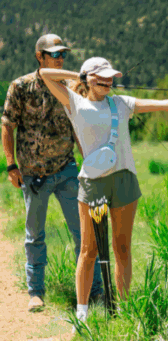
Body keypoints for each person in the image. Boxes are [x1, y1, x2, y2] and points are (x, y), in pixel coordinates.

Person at [37, 56, 168, 325]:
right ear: (89, 79)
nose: (110, 81)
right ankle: (82, 314)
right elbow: (44, 73)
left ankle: (124, 310)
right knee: (89, 251)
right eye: (103, 77)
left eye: (111, 77)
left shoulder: (121, 103)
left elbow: (162, 105)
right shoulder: (74, 103)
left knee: (122, 248)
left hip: (124, 180)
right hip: (93, 182)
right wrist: (80, 75)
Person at [2, 34, 103, 312]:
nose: (59, 58)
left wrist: (89, 163)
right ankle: (36, 293)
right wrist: (12, 165)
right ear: (39, 56)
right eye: (53, 54)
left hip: (67, 170)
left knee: (83, 234)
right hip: (33, 175)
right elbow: (7, 125)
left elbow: (78, 126)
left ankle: (95, 293)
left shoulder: (70, 88)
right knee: (35, 236)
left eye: (62, 54)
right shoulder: (20, 87)